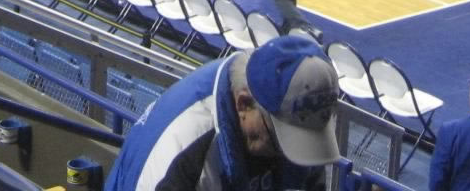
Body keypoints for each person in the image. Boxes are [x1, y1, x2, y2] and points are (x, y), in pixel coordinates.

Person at [105, 34, 340, 191]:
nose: (290, 154)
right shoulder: (181, 148)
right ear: (244, 105)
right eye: (282, 140)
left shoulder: (292, 109)